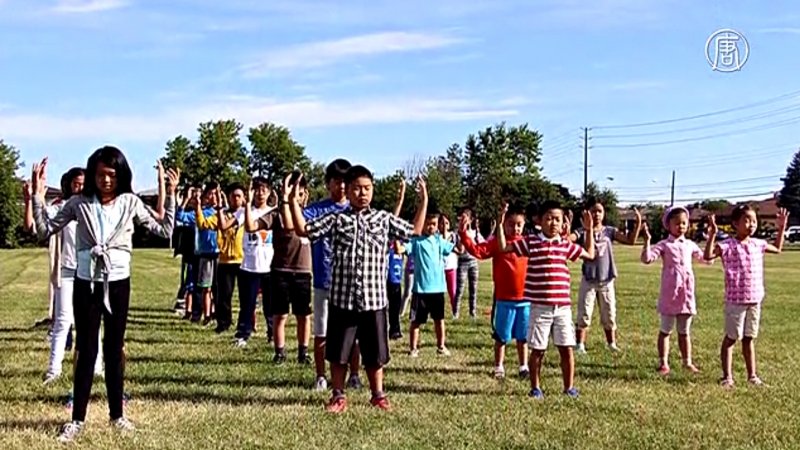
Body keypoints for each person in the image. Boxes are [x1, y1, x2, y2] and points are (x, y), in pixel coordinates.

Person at [30, 147, 178, 443]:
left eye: (111, 175)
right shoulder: (78, 203)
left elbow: (164, 229)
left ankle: (117, 415)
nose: (106, 180)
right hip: (86, 283)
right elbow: (44, 230)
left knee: (114, 348)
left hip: (118, 283)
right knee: (86, 350)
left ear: (120, 175)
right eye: (100, 175)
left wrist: (171, 193)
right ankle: (77, 420)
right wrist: (37, 196)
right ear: (92, 175)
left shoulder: (129, 202)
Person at [289, 165, 427, 413]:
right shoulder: (336, 219)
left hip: (374, 301)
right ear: (348, 190)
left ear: (372, 190)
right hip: (342, 299)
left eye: (367, 188)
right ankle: (338, 395)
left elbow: (414, 231)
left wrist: (423, 201)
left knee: (375, 353)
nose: (362, 193)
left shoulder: (383, 219)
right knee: (339, 352)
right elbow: (303, 230)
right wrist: (291, 201)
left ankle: (378, 395)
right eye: (356, 188)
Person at [497, 200, 595, 399]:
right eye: (549, 218)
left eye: (557, 219)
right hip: (539, 308)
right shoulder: (531, 242)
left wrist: (590, 229)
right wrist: (499, 224)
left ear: (562, 223)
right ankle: (535, 387)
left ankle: (569, 387)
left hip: (562, 308)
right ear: (539, 221)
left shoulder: (565, 244)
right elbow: (503, 248)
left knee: (566, 349)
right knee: (538, 350)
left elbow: (590, 254)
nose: (553, 223)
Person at [25, 167, 105, 385]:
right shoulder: (62, 208)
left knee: (92, 324)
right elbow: (36, 226)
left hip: (90, 273)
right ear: (69, 185)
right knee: (63, 322)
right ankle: (54, 371)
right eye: (76, 183)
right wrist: (37, 193)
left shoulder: (94, 207)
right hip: (67, 272)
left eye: (83, 183)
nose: (79, 187)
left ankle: (96, 368)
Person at [704, 204, 789, 388]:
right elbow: (708, 255)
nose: (751, 224)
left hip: (754, 299)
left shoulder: (758, 244)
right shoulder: (727, 245)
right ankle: (727, 377)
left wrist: (781, 228)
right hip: (735, 300)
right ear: (735, 223)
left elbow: (778, 248)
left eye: (754, 221)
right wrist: (712, 235)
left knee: (749, 338)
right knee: (731, 338)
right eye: (747, 220)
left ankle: (752, 376)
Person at [299, 159, 360, 391]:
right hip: (324, 281)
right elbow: (298, 222)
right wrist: (292, 197)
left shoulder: (355, 210)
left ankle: (354, 374)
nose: (342, 187)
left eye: (345, 182)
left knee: (353, 334)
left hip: (350, 283)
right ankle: (321, 376)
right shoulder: (317, 210)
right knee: (321, 331)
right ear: (328, 184)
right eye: (336, 182)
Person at [249, 172, 313, 364]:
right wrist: (284, 200)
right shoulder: (277, 214)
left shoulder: (310, 214)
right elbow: (285, 224)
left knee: (304, 315)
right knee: (280, 314)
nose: (296, 197)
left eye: (299, 194)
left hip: (303, 271)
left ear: (305, 194)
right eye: (292, 193)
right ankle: (280, 352)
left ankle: (303, 351)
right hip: (281, 271)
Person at [460, 203, 529, 380]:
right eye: (510, 224)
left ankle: (523, 366)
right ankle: (499, 366)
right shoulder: (497, 243)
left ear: (524, 224)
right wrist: (463, 233)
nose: (515, 228)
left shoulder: (527, 244)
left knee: (523, 337)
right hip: (504, 300)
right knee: (501, 337)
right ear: (503, 224)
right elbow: (478, 251)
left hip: (526, 300)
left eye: (519, 224)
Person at [641, 206, 707, 376]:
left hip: (686, 294)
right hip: (670, 294)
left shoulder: (690, 245)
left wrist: (712, 236)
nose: (681, 226)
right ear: (668, 226)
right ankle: (663, 363)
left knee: (684, 332)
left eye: (684, 223)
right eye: (677, 223)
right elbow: (647, 259)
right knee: (665, 331)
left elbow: (707, 260)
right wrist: (647, 241)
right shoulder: (665, 245)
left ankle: (687, 362)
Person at [571, 198, 642, 354]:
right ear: (587, 214)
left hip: (606, 280)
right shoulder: (582, 231)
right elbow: (569, 240)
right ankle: (580, 345)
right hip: (589, 279)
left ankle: (611, 343)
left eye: (600, 211)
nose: (596, 214)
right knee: (584, 313)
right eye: (593, 211)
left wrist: (637, 224)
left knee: (609, 313)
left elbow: (630, 241)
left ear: (604, 214)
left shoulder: (609, 231)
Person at [405, 209, 456, 357]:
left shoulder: (439, 241)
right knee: (416, 322)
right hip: (420, 290)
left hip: (438, 289)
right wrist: (398, 241)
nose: (430, 227)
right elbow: (402, 249)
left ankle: (441, 346)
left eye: (433, 224)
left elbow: (455, 249)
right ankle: (413, 348)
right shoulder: (415, 241)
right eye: (427, 224)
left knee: (439, 320)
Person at [234, 176, 274, 347]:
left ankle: (273, 334)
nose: (260, 193)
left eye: (264, 190)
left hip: (270, 267)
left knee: (271, 306)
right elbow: (226, 224)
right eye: (256, 189)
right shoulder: (245, 211)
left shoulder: (274, 211)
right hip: (248, 266)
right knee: (247, 304)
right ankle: (243, 334)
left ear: (270, 192)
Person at [201, 183, 246, 333]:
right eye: (233, 196)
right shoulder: (222, 213)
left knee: (245, 297)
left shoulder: (247, 214)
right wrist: (197, 208)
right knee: (223, 296)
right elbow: (204, 223)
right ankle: (223, 323)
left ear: (244, 198)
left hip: (243, 260)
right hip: (225, 260)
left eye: (239, 196)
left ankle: (245, 324)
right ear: (228, 198)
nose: (236, 199)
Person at [172, 185, 199, 315]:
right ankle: (181, 303)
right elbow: (179, 215)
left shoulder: (206, 213)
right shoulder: (192, 215)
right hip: (190, 253)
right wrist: (186, 198)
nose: (197, 199)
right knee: (187, 280)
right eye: (194, 196)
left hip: (203, 253)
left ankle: (196, 306)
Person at [453, 207, 483, 319]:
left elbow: (482, 245)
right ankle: (456, 313)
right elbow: (460, 249)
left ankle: (472, 313)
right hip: (462, 262)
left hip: (473, 262)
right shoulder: (458, 233)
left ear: (471, 220)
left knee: (473, 289)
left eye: (467, 218)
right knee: (460, 289)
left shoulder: (475, 233)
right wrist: (462, 232)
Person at [439, 214, 459, 311]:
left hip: (451, 267)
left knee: (452, 291)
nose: (444, 225)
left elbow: (459, 250)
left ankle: (455, 311)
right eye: (442, 223)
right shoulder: (436, 236)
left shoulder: (453, 236)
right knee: (439, 292)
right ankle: (438, 311)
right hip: (439, 268)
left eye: (446, 223)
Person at [387, 240, 405, 340]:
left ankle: (395, 330)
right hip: (385, 279)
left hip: (396, 280)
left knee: (395, 306)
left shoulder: (402, 243)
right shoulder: (386, 244)